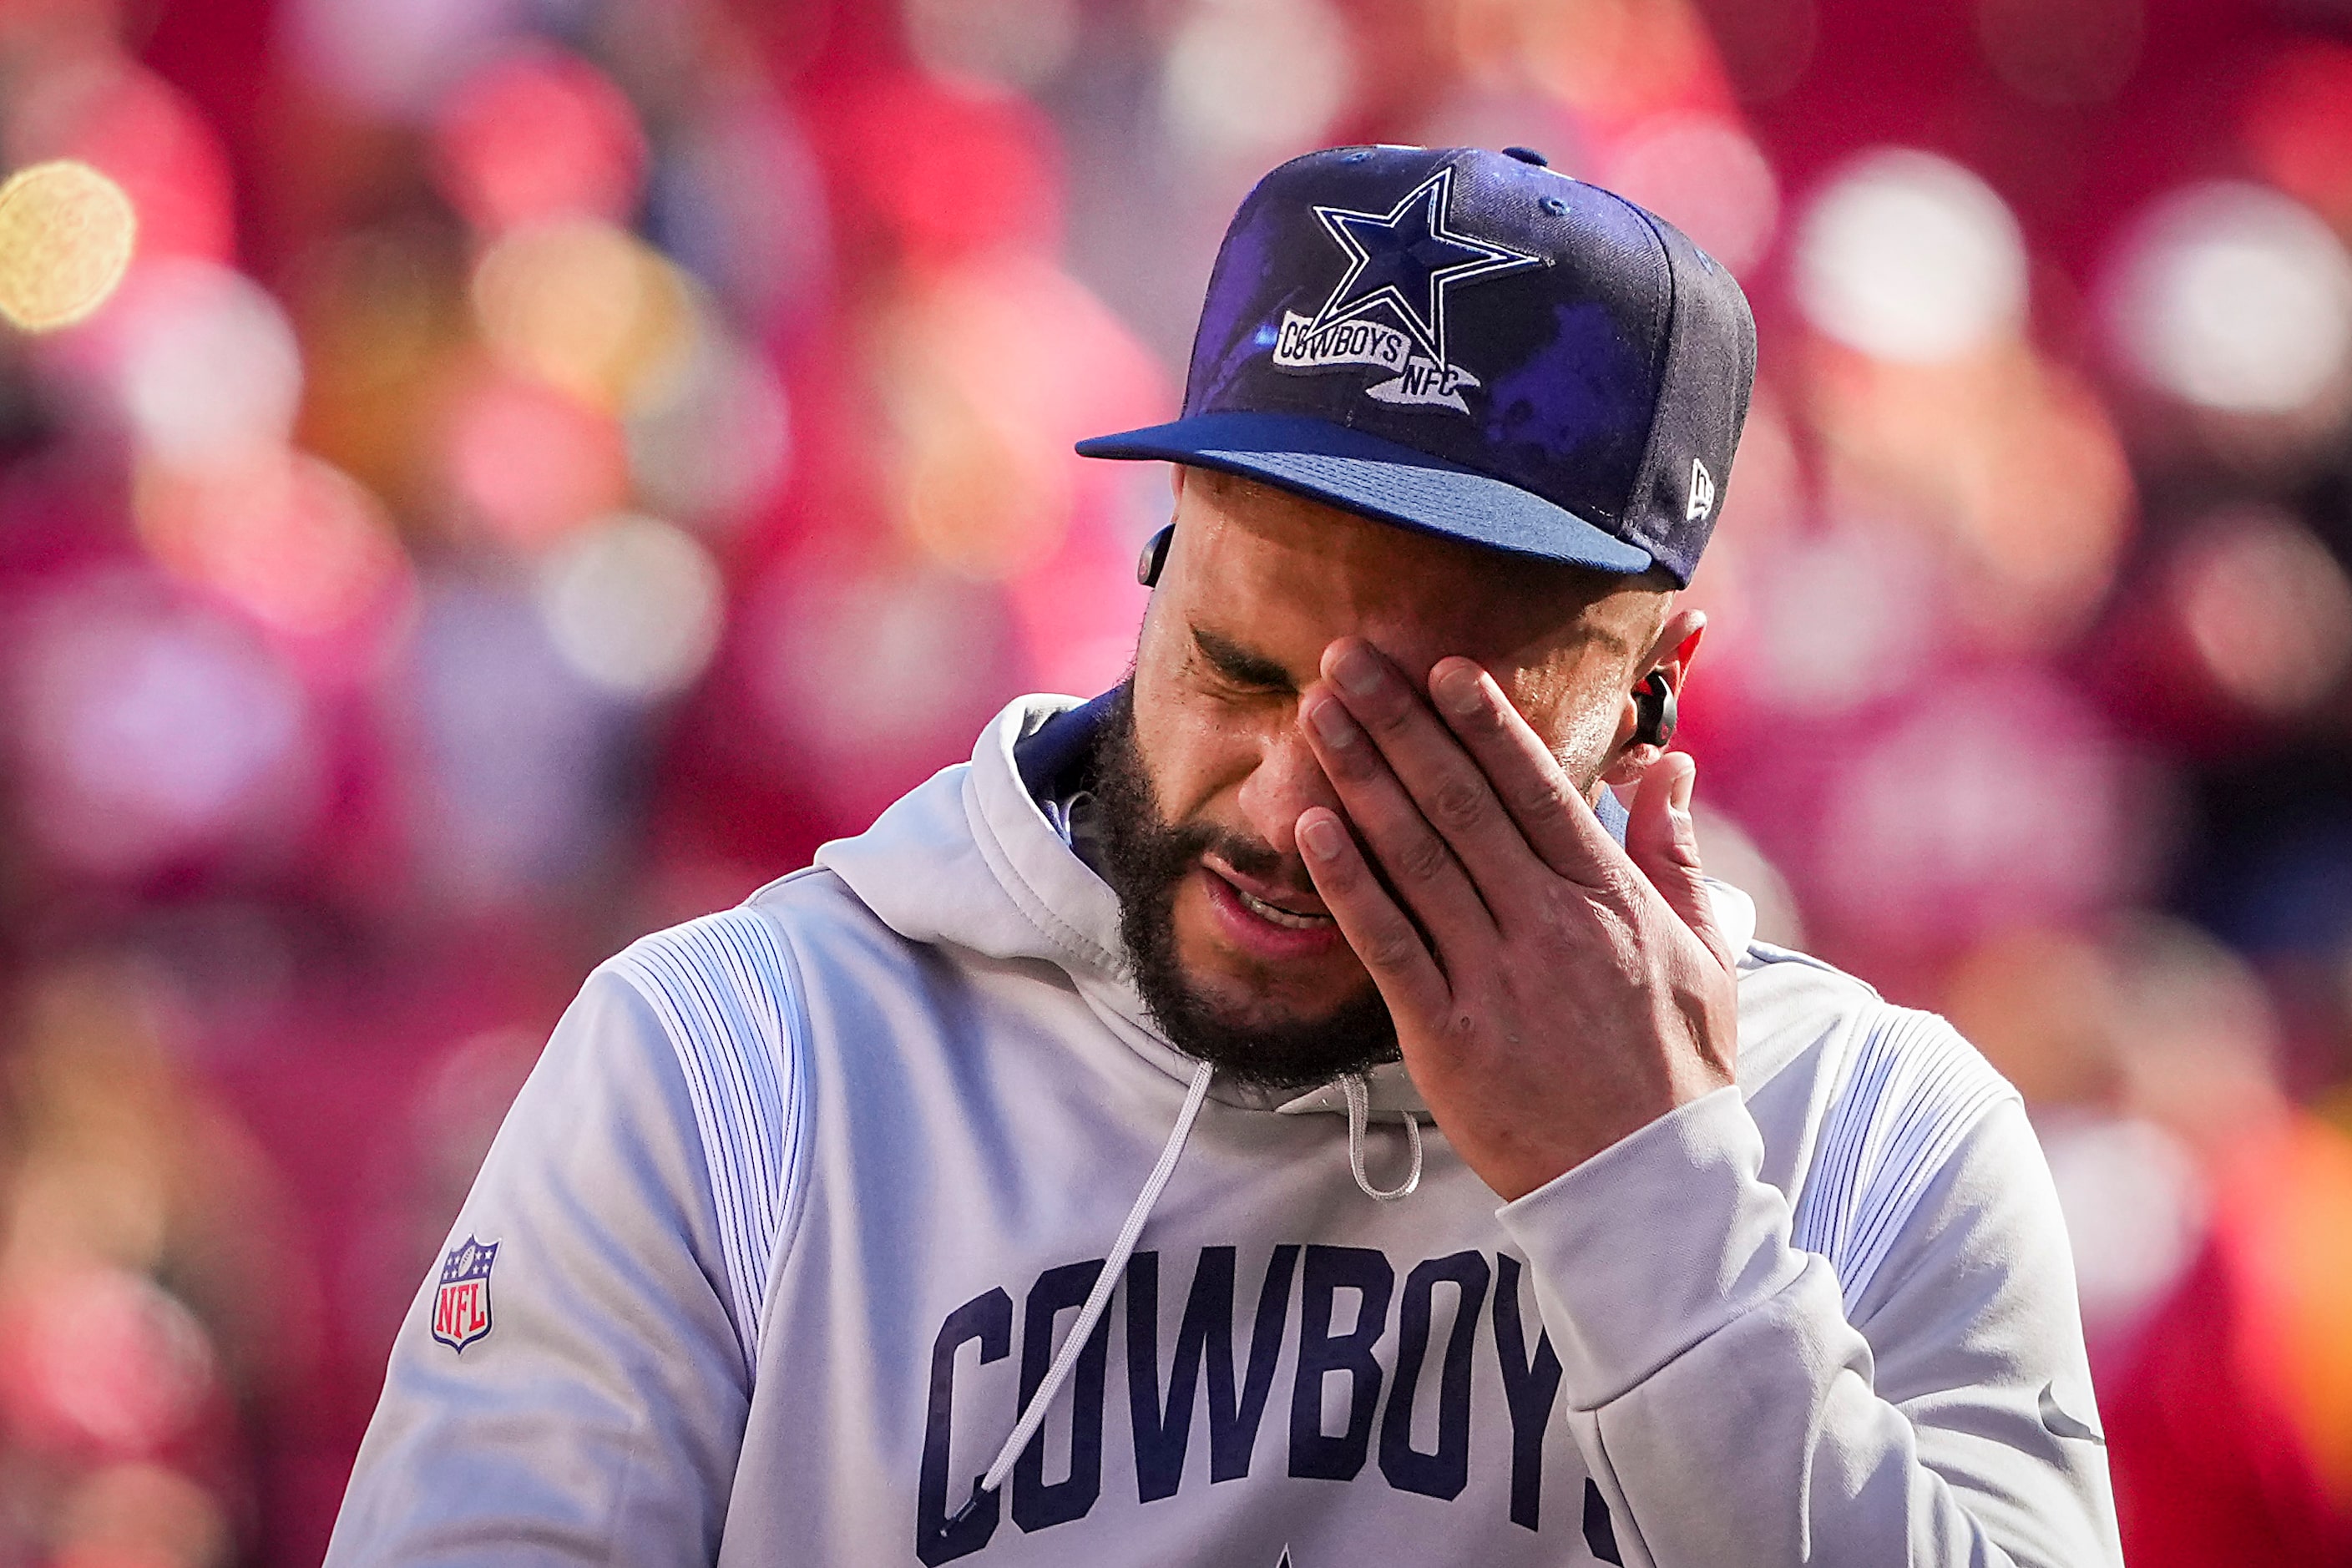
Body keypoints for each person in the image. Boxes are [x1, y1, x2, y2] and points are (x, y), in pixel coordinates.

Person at [326, 144, 2122, 1566]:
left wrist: (1645, 1191)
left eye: (1429, 746)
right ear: (1149, 574)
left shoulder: (1872, 1138)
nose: (1282, 805)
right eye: (1236, 673)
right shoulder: (733, 1061)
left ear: (1648, 700)